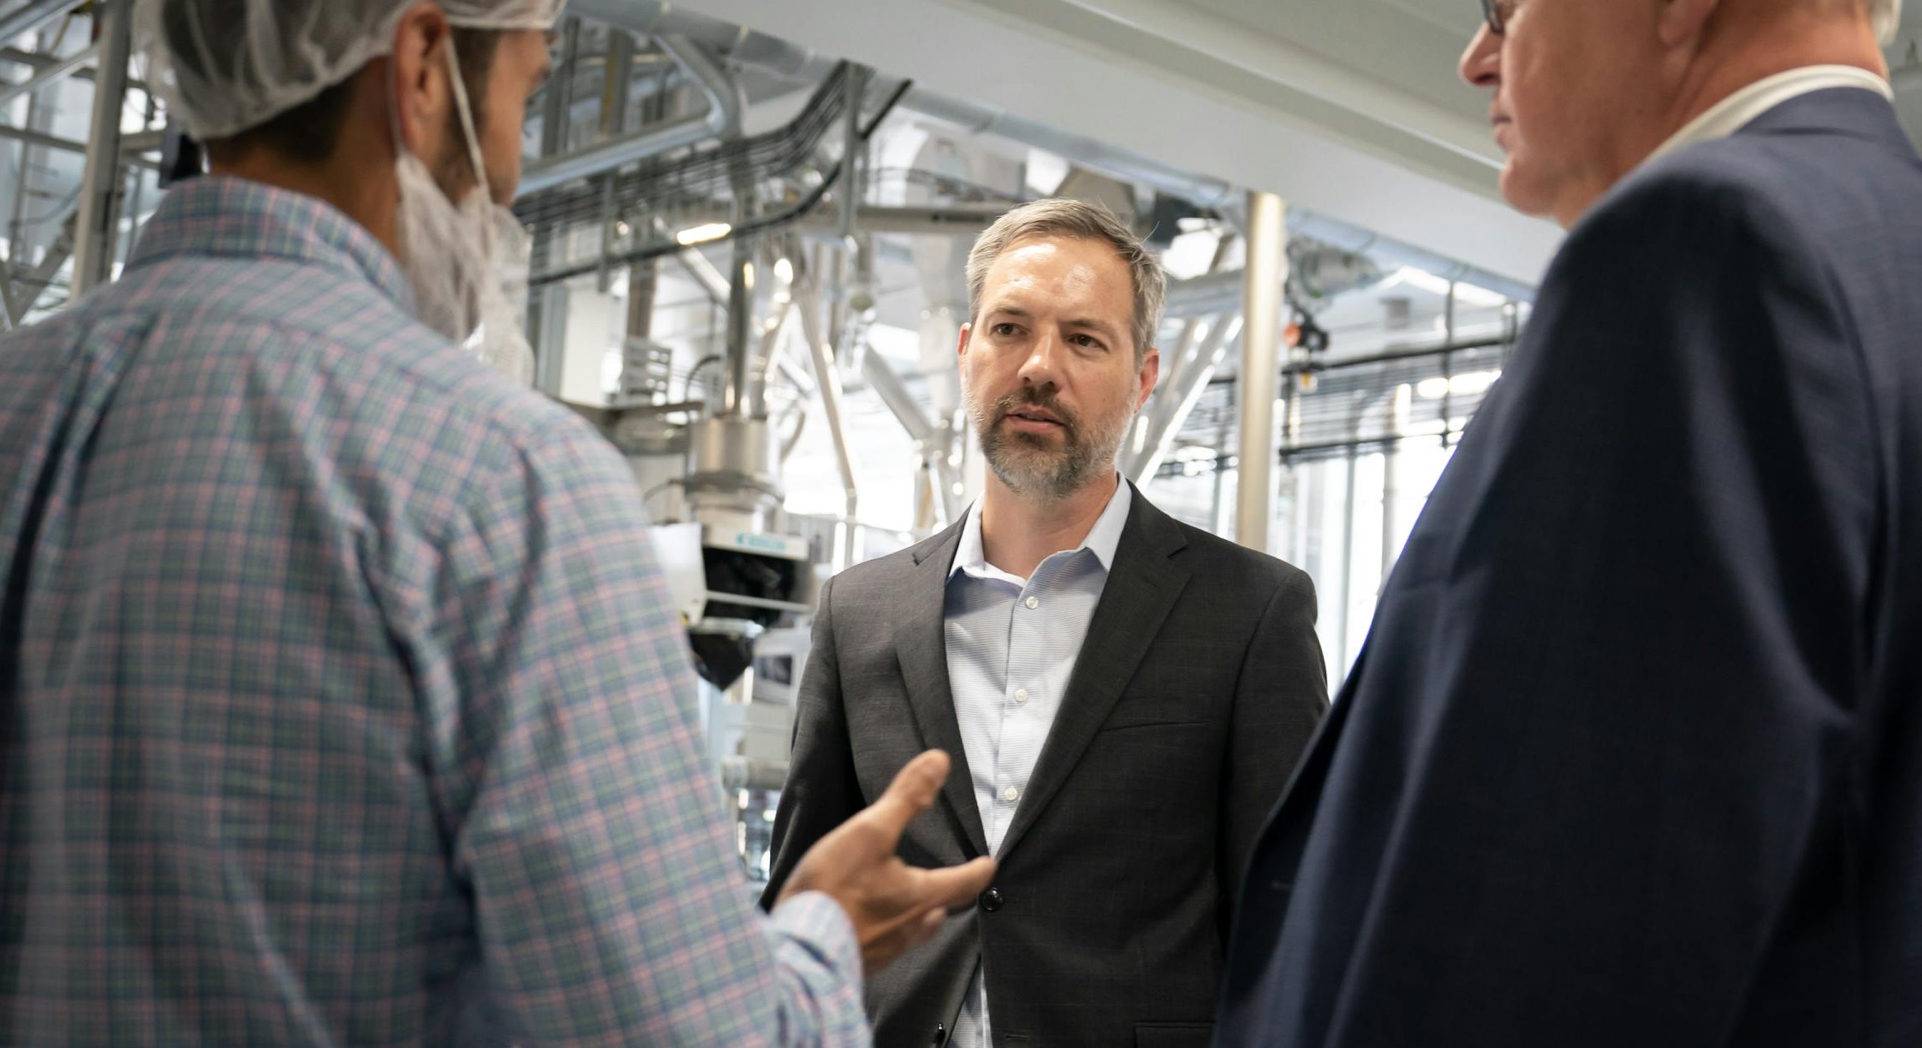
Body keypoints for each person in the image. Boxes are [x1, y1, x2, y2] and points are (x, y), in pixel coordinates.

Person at [0, 1, 994, 1043]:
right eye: (526, 92)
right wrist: (824, 934)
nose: (513, 175)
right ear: (425, 66)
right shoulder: (504, 485)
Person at [1214, 0, 1922, 1045]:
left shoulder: (1707, 244)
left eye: (1506, 6)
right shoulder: (1878, 249)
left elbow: (1554, 924)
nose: (1474, 59)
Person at [764, 199, 1328, 1048]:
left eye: (1084, 340)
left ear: (1143, 378)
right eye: (1009, 329)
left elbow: (1291, 924)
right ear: (966, 351)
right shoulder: (859, 612)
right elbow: (804, 898)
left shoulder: (1249, 612)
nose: (1038, 366)